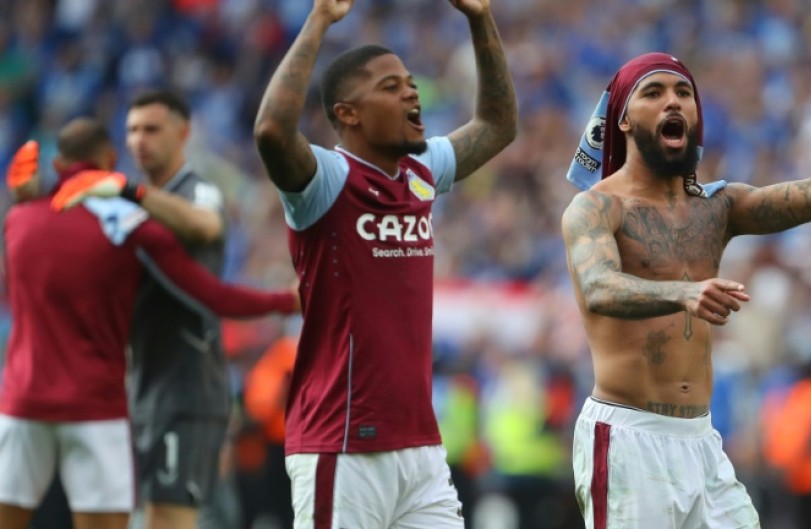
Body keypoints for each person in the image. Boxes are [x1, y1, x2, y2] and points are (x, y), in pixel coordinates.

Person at [561, 40, 811, 528]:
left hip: (702, 439)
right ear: (624, 121)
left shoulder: (716, 207)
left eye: (683, 92)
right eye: (653, 92)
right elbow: (598, 287)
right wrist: (683, 292)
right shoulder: (596, 207)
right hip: (629, 437)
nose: (673, 101)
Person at [252, 0, 517, 526]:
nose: (410, 92)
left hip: (420, 447)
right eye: (390, 86)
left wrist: (479, 17)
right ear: (348, 113)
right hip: (343, 442)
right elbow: (272, 133)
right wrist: (320, 19)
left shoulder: (420, 172)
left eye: (410, 82)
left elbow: (497, 124)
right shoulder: (325, 181)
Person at [0, 118, 298, 529]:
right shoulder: (127, 226)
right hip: (96, 407)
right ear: (109, 160)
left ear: (57, 166)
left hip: (22, 402)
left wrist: (25, 202)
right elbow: (211, 294)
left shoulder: (20, 221)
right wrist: (287, 299)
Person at [53, 89, 238, 529]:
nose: (140, 140)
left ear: (183, 133)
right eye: (133, 130)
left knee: (167, 520)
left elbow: (205, 225)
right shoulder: (127, 207)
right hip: (139, 390)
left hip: (186, 388)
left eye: (152, 129)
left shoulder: (198, 191)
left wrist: (128, 190)